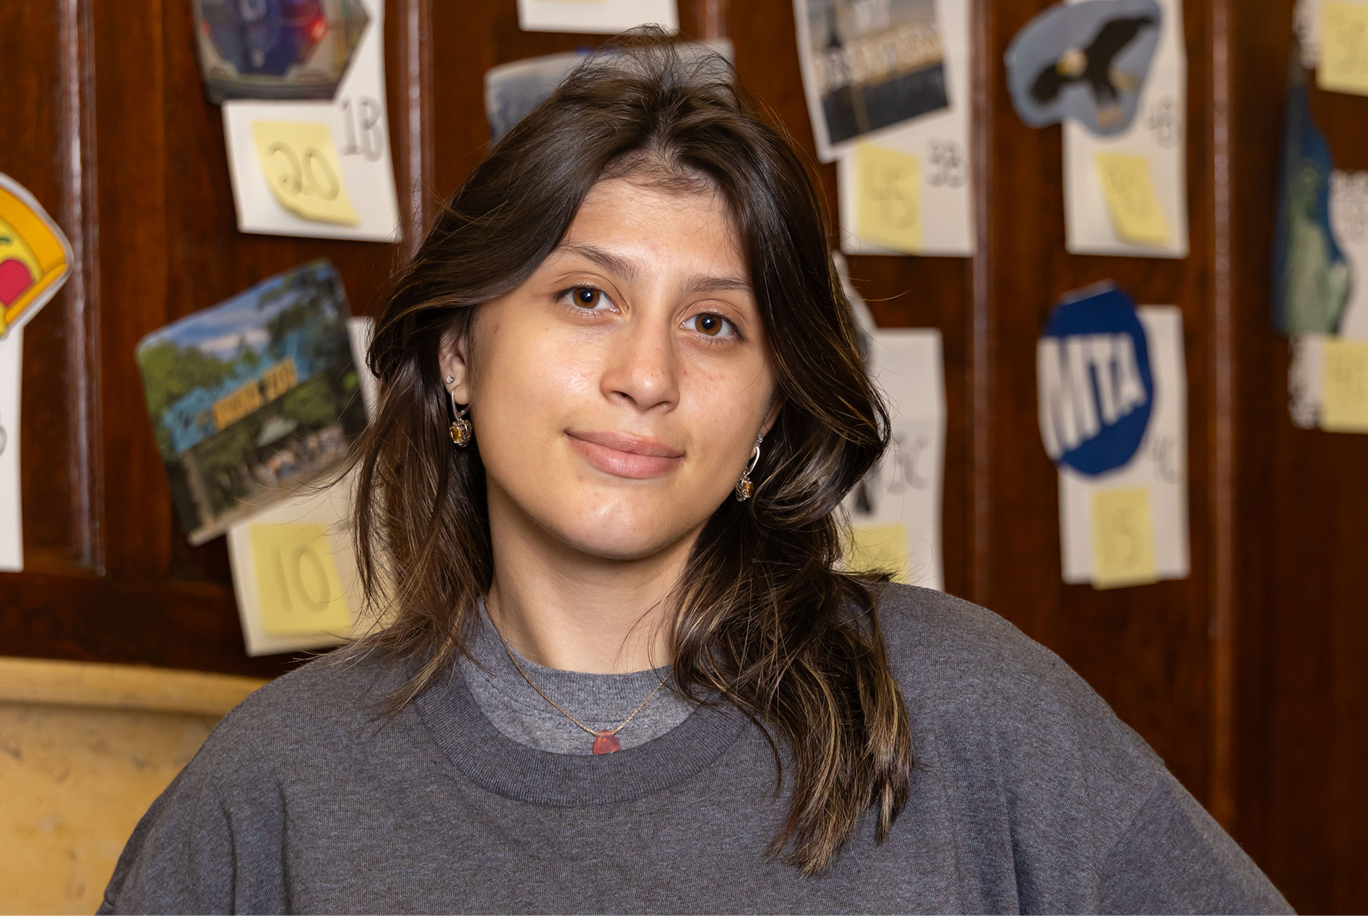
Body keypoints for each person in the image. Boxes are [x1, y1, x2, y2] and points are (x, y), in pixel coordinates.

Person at [100, 39, 1291, 914]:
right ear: (459, 354)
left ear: (774, 400)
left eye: (716, 324)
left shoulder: (969, 714)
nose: (647, 373)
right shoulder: (272, 797)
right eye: (585, 295)